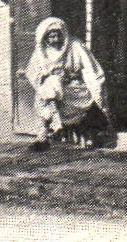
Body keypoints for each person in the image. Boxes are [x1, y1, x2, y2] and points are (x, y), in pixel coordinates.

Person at [24, 17, 113, 149]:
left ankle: (59, 127)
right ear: (45, 37)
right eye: (51, 37)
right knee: (49, 87)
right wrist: (46, 77)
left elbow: (90, 70)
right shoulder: (41, 52)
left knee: (51, 88)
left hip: (75, 88)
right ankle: (45, 135)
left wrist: (95, 89)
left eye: (58, 35)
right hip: (53, 92)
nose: (55, 40)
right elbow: (33, 73)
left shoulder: (75, 46)